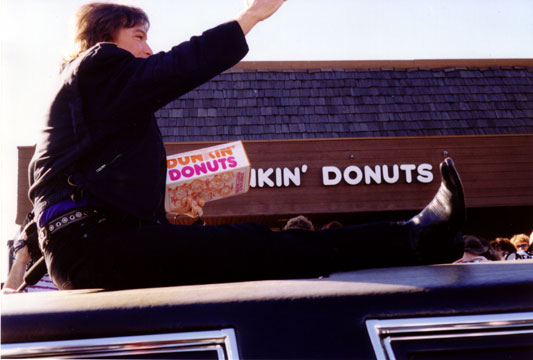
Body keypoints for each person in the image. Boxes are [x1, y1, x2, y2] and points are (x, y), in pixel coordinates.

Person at [28, 1, 466, 291]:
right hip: (93, 243)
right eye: (138, 37)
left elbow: (60, 191)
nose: (148, 49)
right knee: (260, 245)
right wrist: (251, 16)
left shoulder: (82, 100)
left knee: (246, 248)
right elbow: (174, 68)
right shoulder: (99, 64)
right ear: (103, 38)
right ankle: (416, 237)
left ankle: (424, 240)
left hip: (87, 246)